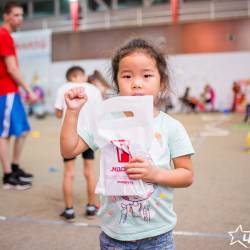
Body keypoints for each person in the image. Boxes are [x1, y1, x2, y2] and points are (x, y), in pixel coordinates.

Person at [61, 38, 194, 249]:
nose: (136, 83)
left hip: (158, 235)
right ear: (116, 82)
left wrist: (155, 174)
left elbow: (187, 175)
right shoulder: (106, 121)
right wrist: (73, 112)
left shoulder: (171, 127)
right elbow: (69, 149)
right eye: (127, 76)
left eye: (147, 75)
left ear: (162, 82)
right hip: (114, 235)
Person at [54, 66, 102, 221]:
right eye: (82, 75)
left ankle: (69, 210)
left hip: (70, 136)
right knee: (89, 172)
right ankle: (91, 208)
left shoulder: (63, 88)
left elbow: (58, 113)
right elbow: (99, 113)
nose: (85, 77)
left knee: (69, 173)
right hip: (89, 136)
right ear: (75, 76)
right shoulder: (94, 89)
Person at [0, 2, 37, 190]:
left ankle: (14, 167)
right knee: (4, 135)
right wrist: (29, 90)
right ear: (6, 16)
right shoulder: (3, 35)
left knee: (23, 131)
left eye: (21, 15)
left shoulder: (7, 36)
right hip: (5, 91)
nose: (19, 19)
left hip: (11, 91)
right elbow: (12, 68)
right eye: (15, 15)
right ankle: (7, 177)